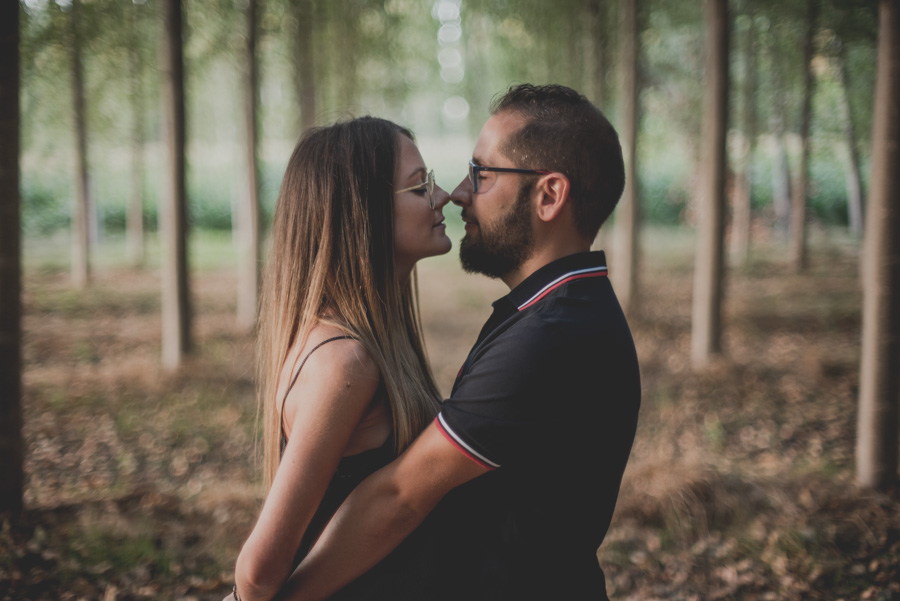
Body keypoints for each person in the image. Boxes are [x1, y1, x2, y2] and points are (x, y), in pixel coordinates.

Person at [275, 84, 642, 601]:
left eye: (483, 174)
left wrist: (274, 596)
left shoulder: (551, 336)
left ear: (549, 195)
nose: (458, 193)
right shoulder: (552, 312)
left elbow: (401, 496)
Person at [226, 116, 453, 601]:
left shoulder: (369, 340)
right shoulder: (345, 362)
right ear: (362, 212)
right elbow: (258, 570)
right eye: (419, 188)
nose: (443, 197)